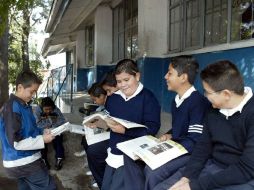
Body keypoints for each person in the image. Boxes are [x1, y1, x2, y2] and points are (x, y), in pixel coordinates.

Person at [167, 60, 254, 190]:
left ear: (226, 94)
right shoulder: (214, 109)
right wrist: (187, 177)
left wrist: (194, 186)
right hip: (212, 166)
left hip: (242, 177)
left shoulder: (251, 113)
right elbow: (203, 147)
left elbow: (246, 169)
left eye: (207, 92)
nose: (205, 96)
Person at [144, 55, 210, 190]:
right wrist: (169, 135)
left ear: (183, 78)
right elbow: (179, 129)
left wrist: (170, 150)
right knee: (149, 167)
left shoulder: (198, 102)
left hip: (190, 152)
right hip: (179, 147)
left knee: (153, 173)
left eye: (169, 73)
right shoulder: (176, 100)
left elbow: (195, 139)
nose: (165, 77)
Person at [101, 59, 161, 190]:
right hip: (113, 151)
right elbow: (108, 118)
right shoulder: (113, 98)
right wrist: (100, 123)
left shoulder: (148, 98)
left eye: (126, 80)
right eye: (119, 81)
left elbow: (152, 129)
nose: (122, 85)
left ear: (137, 76)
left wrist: (125, 131)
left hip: (133, 156)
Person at [0, 70, 56, 190]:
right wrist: (42, 140)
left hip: (21, 161)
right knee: (48, 187)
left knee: (25, 187)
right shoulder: (12, 108)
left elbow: (29, 130)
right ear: (20, 87)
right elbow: (16, 142)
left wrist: (42, 132)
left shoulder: (23, 105)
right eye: (31, 91)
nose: (33, 95)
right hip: (23, 161)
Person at [33, 97, 66, 170]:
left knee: (58, 139)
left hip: (54, 129)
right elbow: (36, 124)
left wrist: (53, 126)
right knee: (41, 142)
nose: (48, 111)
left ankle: (59, 158)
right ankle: (43, 159)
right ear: (42, 107)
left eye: (50, 109)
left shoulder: (55, 109)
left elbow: (62, 120)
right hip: (42, 130)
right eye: (46, 109)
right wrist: (47, 127)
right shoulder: (37, 111)